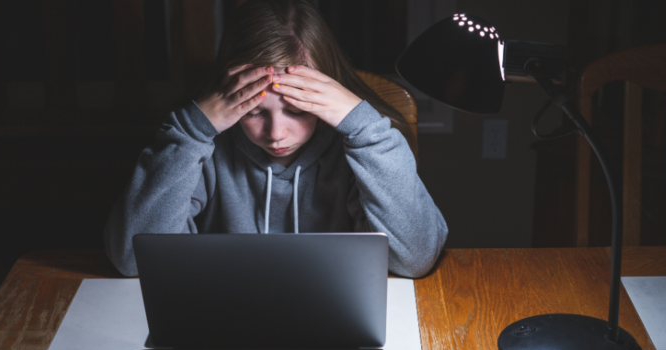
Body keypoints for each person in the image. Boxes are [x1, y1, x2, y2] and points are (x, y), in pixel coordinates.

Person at [104, 0, 447, 278]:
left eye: (296, 111)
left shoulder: (358, 147)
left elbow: (416, 259)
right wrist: (193, 129)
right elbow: (132, 261)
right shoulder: (201, 147)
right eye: (253, 112)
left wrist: (364, 128)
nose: (276, 133)